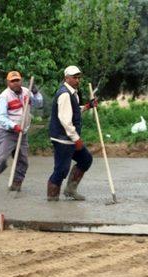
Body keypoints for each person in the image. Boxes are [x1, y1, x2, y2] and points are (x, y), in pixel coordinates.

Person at [0, 71, 43, 194]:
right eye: (13, 81)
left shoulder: (27, 91)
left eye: (18, 80)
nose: (16, 83)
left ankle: (16, 184)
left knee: (23, 160)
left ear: (21, 81)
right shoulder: (4, 97)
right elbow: (1, 117)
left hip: (23, 131)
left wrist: (36, 92)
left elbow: (39, 103)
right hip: (7, 132)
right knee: (2, 158)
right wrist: (14, 126)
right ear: (8, 82)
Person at [47, 65, 97, 201]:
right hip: (63, 139)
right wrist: (76, 139)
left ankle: (70, 189)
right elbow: (65, 120)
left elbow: (73, 111)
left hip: (69, 138)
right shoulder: (64, 94)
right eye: (74, 78)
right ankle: (52, 198)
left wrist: (87, 106)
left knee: (85, 159)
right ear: (66, 78)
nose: (77, 80)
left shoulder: (72, 93)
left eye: (78, 77)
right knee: (61, 169)